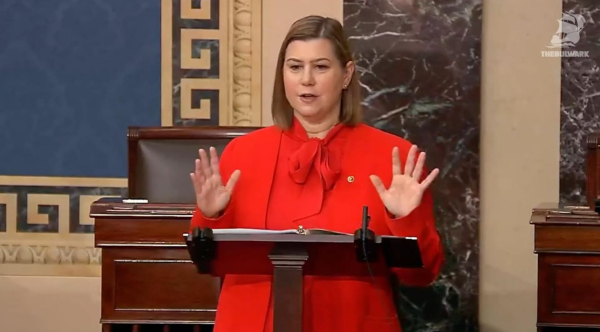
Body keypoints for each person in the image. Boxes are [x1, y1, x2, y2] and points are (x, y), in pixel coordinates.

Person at [189, 15, 444, 332]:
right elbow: (208, 264)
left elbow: (422, 276)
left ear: (346, 74)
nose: (306, 80)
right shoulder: (242, 154)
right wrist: (212, 216)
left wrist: (406, 219)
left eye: (321, 67)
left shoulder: (393, 157)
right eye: (295, 67)